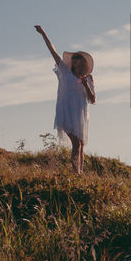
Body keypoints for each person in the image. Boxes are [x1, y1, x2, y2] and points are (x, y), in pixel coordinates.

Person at [35, 25, 96, 174]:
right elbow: (52, 51)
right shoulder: (65, 71)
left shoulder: (88, 78)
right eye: (74, 58)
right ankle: (76, 173)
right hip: (67, 111)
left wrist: (86, 85)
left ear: (83, 62)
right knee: (76, 143)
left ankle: (79, 173)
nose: (75, 60)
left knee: (81, 144)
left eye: (78, 58)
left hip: (80, 114)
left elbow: (92, 99)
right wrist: (43, 34)